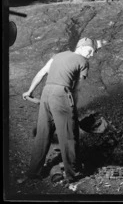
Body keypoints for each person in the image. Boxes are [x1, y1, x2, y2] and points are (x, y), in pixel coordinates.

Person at [21, 37, 103, 184]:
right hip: (62, 95)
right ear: (82, 47)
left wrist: (29, 91)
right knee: (70, 136)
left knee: (42, 134)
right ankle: (73, 174)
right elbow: (77, 89)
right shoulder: (83, 62)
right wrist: (73, 109)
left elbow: (41, 73)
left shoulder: (58, 56)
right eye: (90, 51)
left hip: (46, 94)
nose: (91, 55)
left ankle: (33, 172)